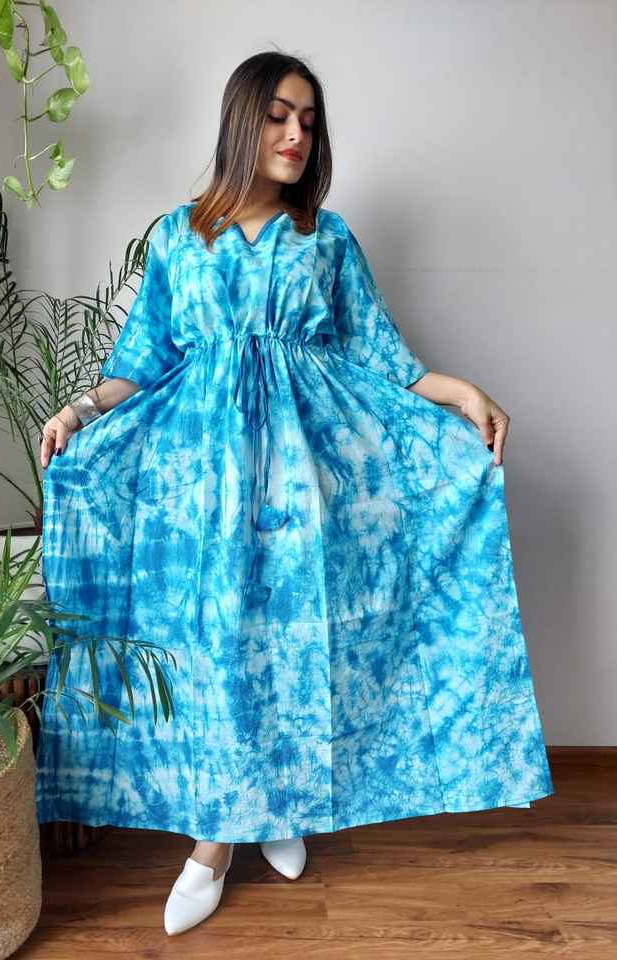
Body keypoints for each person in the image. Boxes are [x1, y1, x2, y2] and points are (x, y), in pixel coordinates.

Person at [35, 51, 554, 936]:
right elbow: (141, 361)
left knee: (289, 643)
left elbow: (379, 358)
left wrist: (460, 392)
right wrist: (79, 411)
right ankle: (233, 827)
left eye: (308, 121)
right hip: (202, 485)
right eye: (279, 115)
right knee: (218, 649)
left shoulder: (327, 237)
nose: (295, 135)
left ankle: (247, 826)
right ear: (243, 119)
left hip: (307, 480)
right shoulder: (177, 236)